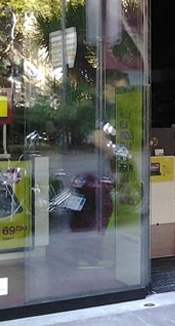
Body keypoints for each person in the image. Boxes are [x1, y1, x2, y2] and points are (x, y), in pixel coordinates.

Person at [68, 70, 129, 269]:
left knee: (85, 213)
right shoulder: (98, 109)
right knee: (99, 212)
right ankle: (89, 258)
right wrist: (118, 153)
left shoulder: (92, 107)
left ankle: (80, 256)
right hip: (93, 171)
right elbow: (98, 139)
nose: (122, 95)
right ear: (108, 87)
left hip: (86, 169)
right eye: (120, 90)